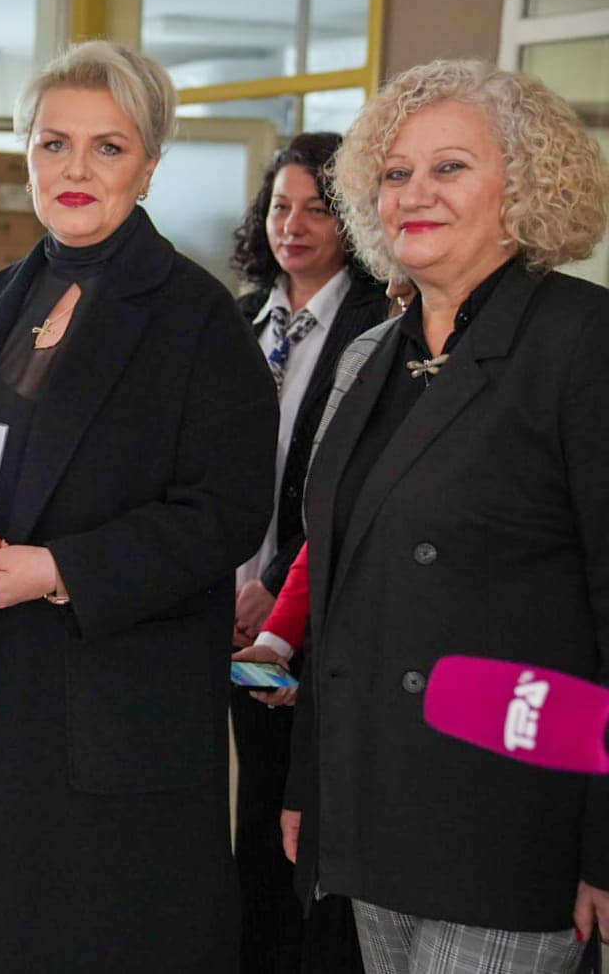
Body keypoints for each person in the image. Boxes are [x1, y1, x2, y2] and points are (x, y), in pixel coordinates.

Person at [0, 40, 278, 972]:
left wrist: (62, 569)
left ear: (149, 165)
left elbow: (227, 510)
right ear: (29, 156)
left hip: (111, 705)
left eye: (108, 147)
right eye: (54, 143)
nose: (76, 169)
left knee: (98, 937)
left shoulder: (199, 318)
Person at [284, 59, 609, 973]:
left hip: (513, 818)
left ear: (525, 187)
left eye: (450, 167)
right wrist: (310, 782)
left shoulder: (583, 341)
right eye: (396, 173)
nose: (415, 193)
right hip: (372, 809)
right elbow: (337, 591)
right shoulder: (369, 356)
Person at [227, 133, 384, 974]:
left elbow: (341, 482)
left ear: (351, 221)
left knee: (301, 805)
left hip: (304, 602)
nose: (292, 225)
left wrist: (277, 583)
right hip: (230, 597)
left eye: (317, 209)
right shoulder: (243, 317)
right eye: (281, 206)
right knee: (255, 799)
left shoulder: (377, 324)